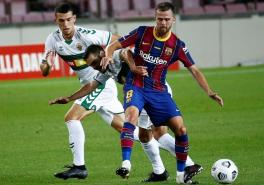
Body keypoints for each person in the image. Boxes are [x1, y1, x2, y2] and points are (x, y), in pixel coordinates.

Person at [101, 2, 224, 184]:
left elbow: (194, 70)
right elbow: (117, 47)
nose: (163, 23)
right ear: (155, 18)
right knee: (133, 118)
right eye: (160, 19)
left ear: (173, 20)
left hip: (159, 91)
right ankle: (127, 164)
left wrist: (209, 91)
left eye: (167, 19)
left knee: (177, 129)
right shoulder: (142, 32)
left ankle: (181, 173)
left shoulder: (176, 45)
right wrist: (109, 54)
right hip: (136, 86)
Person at [49, 44, 200, 182]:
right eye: (91, 66)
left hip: (153, 92)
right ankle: (169, 170)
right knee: (154, 134)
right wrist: (69, 98)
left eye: (95, 63)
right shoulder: (105, 71)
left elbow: (126, 52)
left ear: (103, 54)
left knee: (150, 135)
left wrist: (133, 67)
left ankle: (181, 166)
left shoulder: (114, 56)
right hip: (146, 93)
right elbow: (90, 86)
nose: (95, 67)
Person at [40, 2, 125, 180]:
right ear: (56, 21)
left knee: (71, 118)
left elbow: (118, 39)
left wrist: (108, 55)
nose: (65, 25)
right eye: (61, 21)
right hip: (90, 87)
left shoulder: (86, 35)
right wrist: (46, 66)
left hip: (100, 84)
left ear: (74, 19)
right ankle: (184, 162)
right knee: (127, 130)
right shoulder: (53, 39)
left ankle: (79, 167)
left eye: (69, 20)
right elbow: (45, 66)